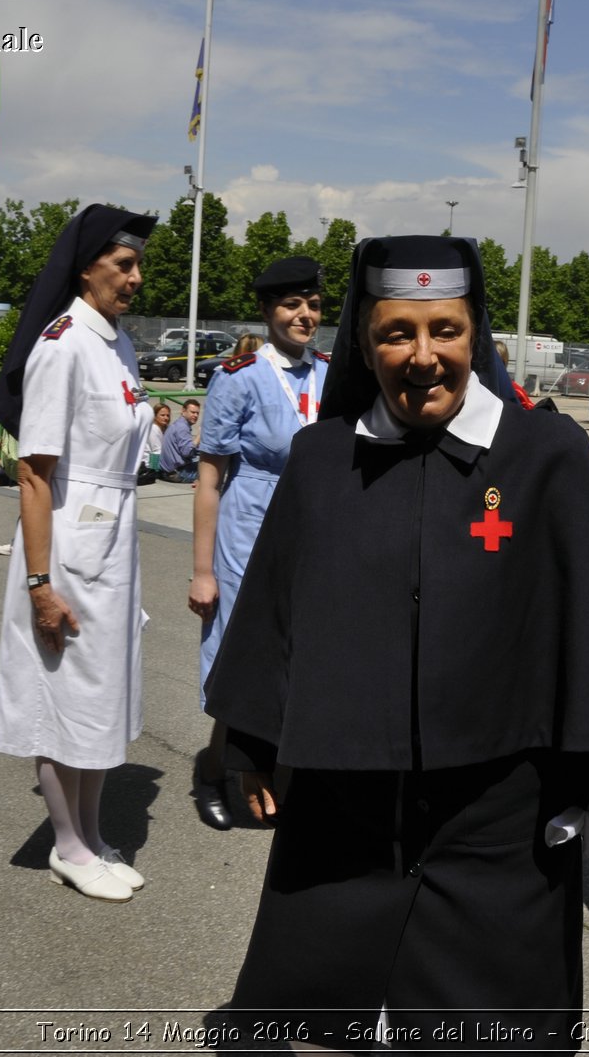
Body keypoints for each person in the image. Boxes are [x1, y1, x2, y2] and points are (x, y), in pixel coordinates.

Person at [204, 234, 589, 1047]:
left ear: (476, 336)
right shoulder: (322, 459)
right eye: (398, 333)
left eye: (446, 331)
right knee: (333, 1010)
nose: (423, 356)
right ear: (363, 341)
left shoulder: (547, 454)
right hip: (346, 809)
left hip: (502, 821)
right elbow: (276, 607)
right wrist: (247, 738)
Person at [0, 203, 158, 903]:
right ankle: (65, 842)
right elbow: (33, 471)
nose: (136, 278)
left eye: (138, 264)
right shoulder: (61, 345)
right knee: (60, 694)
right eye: (124, 265)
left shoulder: (113, 341)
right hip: (67, 544)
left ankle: (90, 832)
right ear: (86, 268)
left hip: (112, 537)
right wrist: (38, 581)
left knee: (99, 693)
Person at [187, 256, 327, 831]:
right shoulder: (237, 376)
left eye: (313, 305)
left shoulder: (329, 372)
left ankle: (277, 776)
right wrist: (202, 570)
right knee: (241, 653)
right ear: (269, 311)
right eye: (292, 305)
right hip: (249, 523)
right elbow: (209, 478)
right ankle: (215, 771)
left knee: (302, 655)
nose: (304, 315)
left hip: (312, 526)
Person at [158, 398, 201, 482]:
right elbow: (187, 452)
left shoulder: (178, 424)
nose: (195, 415)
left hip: (167, 471)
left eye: (197, 413)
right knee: (213, 470)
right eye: (192, 412)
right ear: (183, 411)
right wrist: (199, 435)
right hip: (176, 473)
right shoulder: (182, 427)